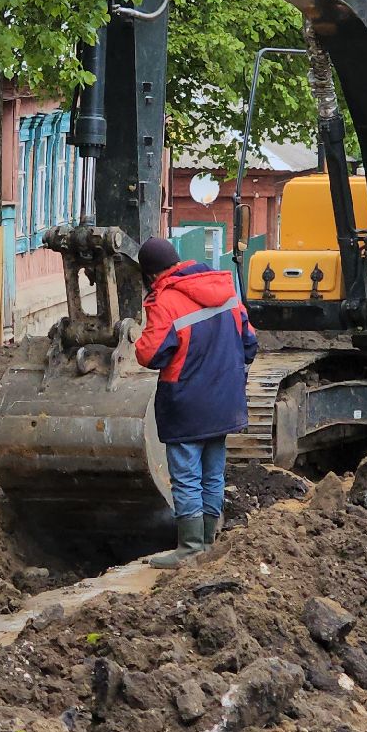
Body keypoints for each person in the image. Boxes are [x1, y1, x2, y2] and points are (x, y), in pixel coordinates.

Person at [133, 237, 257, 568]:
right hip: (225, 401)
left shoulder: (166, 300)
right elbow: (249, 343)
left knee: (186, 476)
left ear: (150, 274)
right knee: (212, 473)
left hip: (187, 404)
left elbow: (150, 354)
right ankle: (208, 541)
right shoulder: (224, 288)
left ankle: (189, 548)